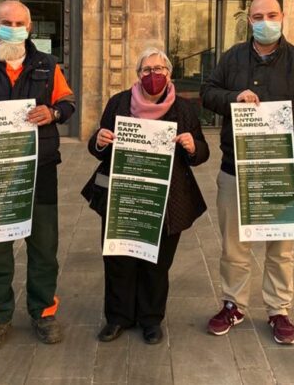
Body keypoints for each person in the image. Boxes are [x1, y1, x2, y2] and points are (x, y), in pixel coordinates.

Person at [0, 0, 76, 352]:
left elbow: (68, 103)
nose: (13, 28)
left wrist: (53, 112)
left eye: (20, 23)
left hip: (41, 169)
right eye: (6, 22)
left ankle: (43, 311)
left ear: (30, 27)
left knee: (44, 247)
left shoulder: (48, 65)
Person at [200, 0, 294, 344]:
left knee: (281, 249)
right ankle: (233, 304)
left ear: (282, 17)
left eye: (271, 15)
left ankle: (278, 309)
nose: (265, 22)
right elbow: (208, 92)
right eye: (258, 17)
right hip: (235, 167)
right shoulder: (232, 58)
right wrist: (234, 97)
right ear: (249, 21)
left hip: (281, 171)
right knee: (234, 246)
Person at [81, 47, 209, 344]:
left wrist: (193, 146)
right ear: (138, 74)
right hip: (124, 194)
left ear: (169, 73)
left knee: (157, 263)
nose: (153, 75)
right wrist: (99, 141)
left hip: (168, 198)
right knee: (119, 259)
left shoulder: (184, 109)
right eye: (147, 69)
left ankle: (151, 319)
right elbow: (97, 147)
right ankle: (118, 317)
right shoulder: (119, 102)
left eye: (159, 69)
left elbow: (202, 152)